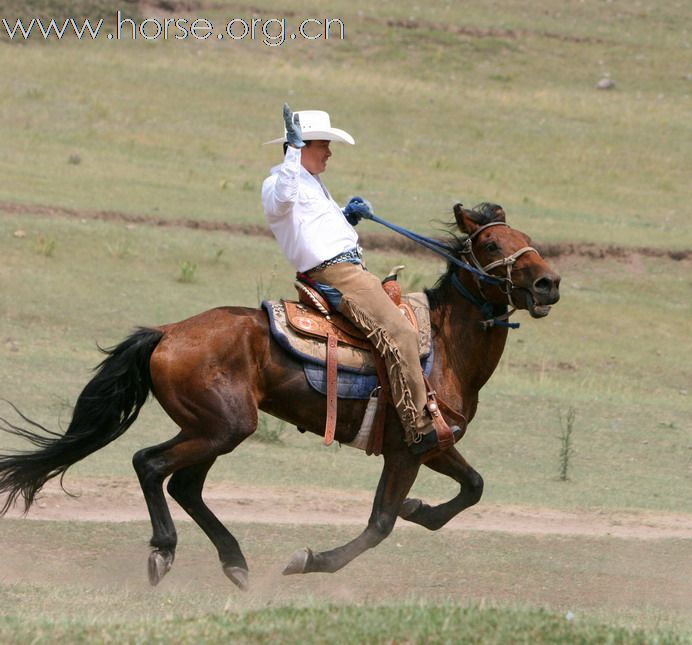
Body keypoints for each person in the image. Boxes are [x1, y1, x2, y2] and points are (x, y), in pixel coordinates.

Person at [262, 104, 453, 454]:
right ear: (301, 147)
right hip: (339, 277)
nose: (330, 153)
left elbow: (315, 233)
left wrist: (345, 219)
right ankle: (418, 425)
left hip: (350, 271)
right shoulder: (280, 183)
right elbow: (284, 202)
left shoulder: (313, 183)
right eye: (324, 146)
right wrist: (292, 153)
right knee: (400, 332)